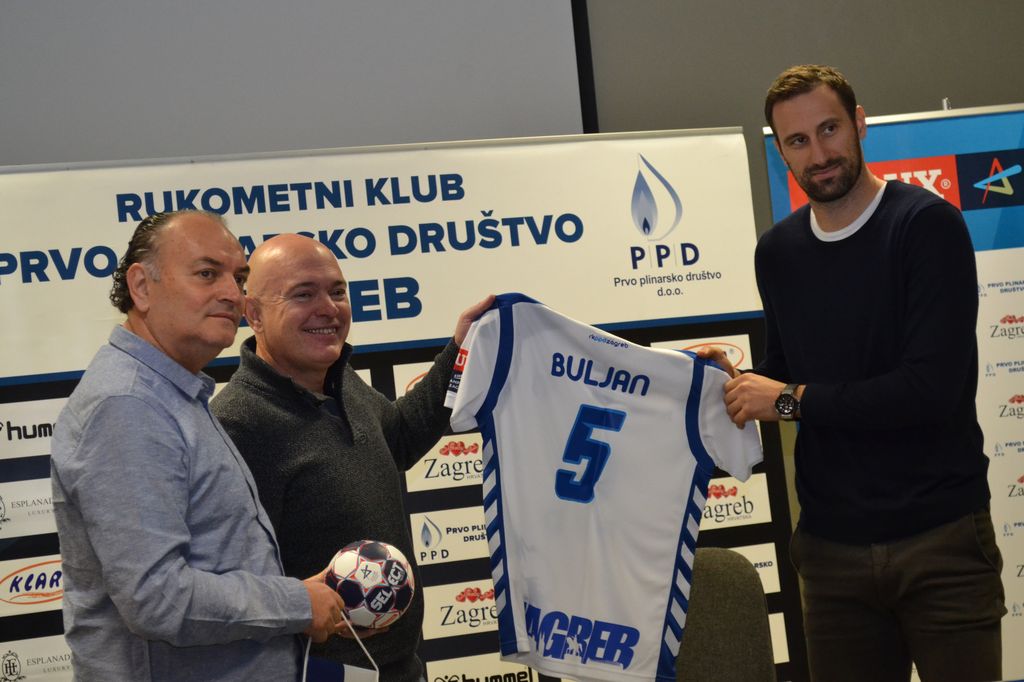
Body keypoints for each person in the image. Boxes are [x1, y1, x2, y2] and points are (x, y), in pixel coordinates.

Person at [703, 65, 1005, 682]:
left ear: (859, 123)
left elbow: (928, 390)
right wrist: (731, 381)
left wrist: (785, 399)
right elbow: (786, 372)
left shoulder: (926, 226)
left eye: (829, 129)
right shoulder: (778, 252)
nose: (819, 154)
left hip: (941, 543)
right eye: (798, 140)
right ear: (780, 150)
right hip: (831, 554)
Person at [50, 211, 346, 681]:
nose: (232, 293)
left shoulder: (169, 392)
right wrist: (295, 603)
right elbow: (158, 599)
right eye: (208, 274)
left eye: (239, 278)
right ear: (141, 287)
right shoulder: (129, 405)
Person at [211, 233, 492, 681]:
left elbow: (398, 437)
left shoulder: (339, 380)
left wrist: (459, 351)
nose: (329, 308)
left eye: (337, 291)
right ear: (254, 314)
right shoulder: (238, 424)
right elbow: (228, 586)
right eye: (303, 294)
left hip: (399, 666)